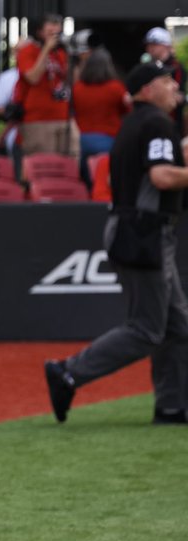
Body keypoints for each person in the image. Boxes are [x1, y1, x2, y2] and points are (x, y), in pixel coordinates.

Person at [45, 62, 188, 426]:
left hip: (141, 228)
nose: (174, 86)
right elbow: (161, 177)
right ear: (145, 91)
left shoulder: (140, 123)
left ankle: (172, 406)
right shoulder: (155, 123)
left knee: (178, 325)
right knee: (147, 329)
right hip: (144, 232)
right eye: (165, 81)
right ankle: (68, 373)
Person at [16, 13, 79, 161]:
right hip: (39, 119)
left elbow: (74, 81)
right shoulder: (28, 50)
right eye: (50, 32)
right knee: (45, 165)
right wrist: (46, 49)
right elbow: (33, 77)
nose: (55, 36)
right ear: (39, 32)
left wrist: (72, 54)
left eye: (58, 32)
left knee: (71, 161)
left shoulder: (62, 52)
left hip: (65, 117)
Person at [73, 47, 130, 164]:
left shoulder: (77, 88)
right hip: (109, 139)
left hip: (81, 140)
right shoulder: (116, 87)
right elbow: (127, 109)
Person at [140, 27, 186, 131]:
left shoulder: (176, 67)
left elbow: (178, 95)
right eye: (148, 45)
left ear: (166, 46)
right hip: (150, 120)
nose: (150, 48)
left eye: (154, 44)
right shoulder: (147, 66)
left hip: (171, 122)